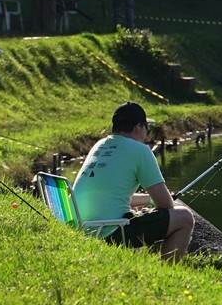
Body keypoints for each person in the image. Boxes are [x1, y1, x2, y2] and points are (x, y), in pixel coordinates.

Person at [72, 101, 195, 261]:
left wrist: (149, 200)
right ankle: (168, 272)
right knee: (185, 217)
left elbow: (112, 195)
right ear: (138, 127)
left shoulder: (99, 145)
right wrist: (161, 201)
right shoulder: (141, 151)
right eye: (146, 127)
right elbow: (166, 205)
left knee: (136, 213)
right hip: (107, 232)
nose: (146, 133)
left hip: (82, 228)